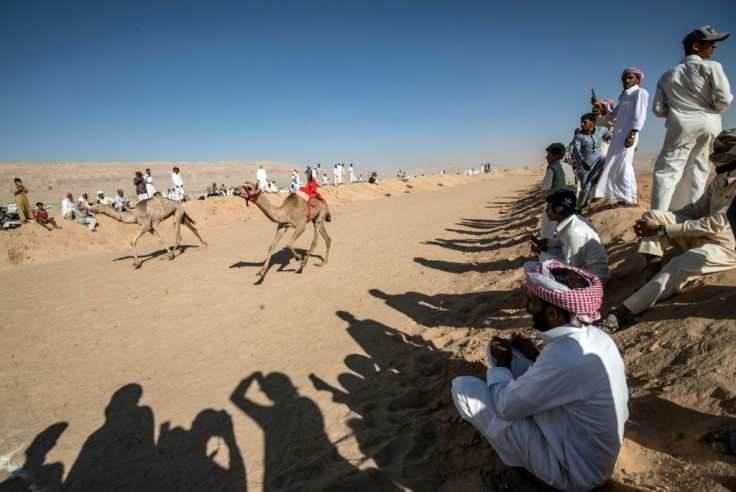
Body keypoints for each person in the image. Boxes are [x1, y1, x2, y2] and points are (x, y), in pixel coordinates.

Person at [451, 260, 628, 491]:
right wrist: (533, 355)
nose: (526, 305)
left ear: (553, 313)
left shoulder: (563, 355)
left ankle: (529, 475)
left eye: (531, 301)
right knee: (510, 354)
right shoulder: (597, 337)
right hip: (591, 452)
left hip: (576, 473)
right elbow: (567, 379)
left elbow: (506, 408)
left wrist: (501, 368)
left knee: (464, 388)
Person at [599, 127, 736, 332]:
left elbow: (716, 223)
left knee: (678, 265)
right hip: (703, 233)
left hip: (725, 245)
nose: (714, 154)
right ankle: (653, 277)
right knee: (651, 215)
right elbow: (696, 209)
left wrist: (663, 230)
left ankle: (623, 311)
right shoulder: (721, 176)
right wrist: (662, 222)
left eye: (720, 149)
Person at [651, 25, 733, 211]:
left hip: (681, 125)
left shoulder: (667, 75)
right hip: (710, 123)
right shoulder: (712, 67)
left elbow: (658, 109)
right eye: (711, 42)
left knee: (667, 172)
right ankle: (686, 220)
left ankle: (657, 223)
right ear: (696, 46)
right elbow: (724, 99)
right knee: (698, 170)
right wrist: (709, 110)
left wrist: (678, 110)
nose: (715, 46)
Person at [592, 68, 649, 208]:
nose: (627, 81)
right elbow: (611, 116)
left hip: (629, 134)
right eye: (624, 79)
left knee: (625, 164)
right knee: (616, 164)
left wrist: (633, 134)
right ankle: (623, 196)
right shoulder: (624, 97)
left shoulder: (640, 93)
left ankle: (631, 198)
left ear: (637, 80)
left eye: (630, 78)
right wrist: (599, 105)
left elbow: (639, 115)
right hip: (618, 135)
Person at [532, 190, 610, 283]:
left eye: (549, 208)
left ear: (558, 209)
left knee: (531, 269)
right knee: (548, 255)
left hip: (591, 280)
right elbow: (564, 243)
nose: (546, 211)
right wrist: (548, 242)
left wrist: (541, 254)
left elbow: (569, 268)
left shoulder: (573, 232)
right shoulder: (574, 221)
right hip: (586, 270)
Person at [574, 113, 612, 212]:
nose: (582, 124)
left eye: (584, 122)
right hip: (584, 167)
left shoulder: (601, 130)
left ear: (592, 122)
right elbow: (576, 151)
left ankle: (600, 186)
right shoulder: (579, 136)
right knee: (586, 187)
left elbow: (611, 136)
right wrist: (582, 162)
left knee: (606, 159)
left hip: (598, 162)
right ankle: (580, 208)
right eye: (581, 122)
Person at [540, 143, 576, 240]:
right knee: (563, 227)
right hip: (568, 202)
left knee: (547, 228)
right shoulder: (568, 167)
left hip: (553, 202)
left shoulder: (552, 167)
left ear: (556, 156)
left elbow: (547, 186)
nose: (546, 157)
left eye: (549, 155)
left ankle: (544, 250)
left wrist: (542, 185)